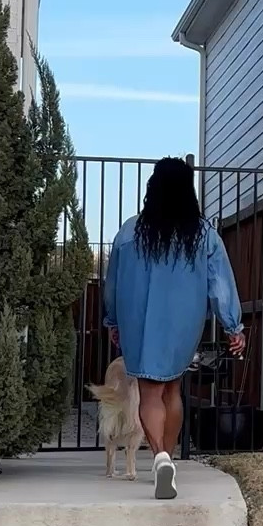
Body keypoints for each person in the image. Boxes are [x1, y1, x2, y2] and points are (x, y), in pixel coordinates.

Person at [103, 157, 245, 499]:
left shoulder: (129, 231)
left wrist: (113, 320)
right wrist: (233, 326)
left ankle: (160, 458)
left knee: (149, 392)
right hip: (184, 321)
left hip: (139, 320)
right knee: (173, 390)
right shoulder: (203, 234)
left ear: (152, 188)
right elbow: (220, 283)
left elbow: (113, 282)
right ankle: (168, 462)